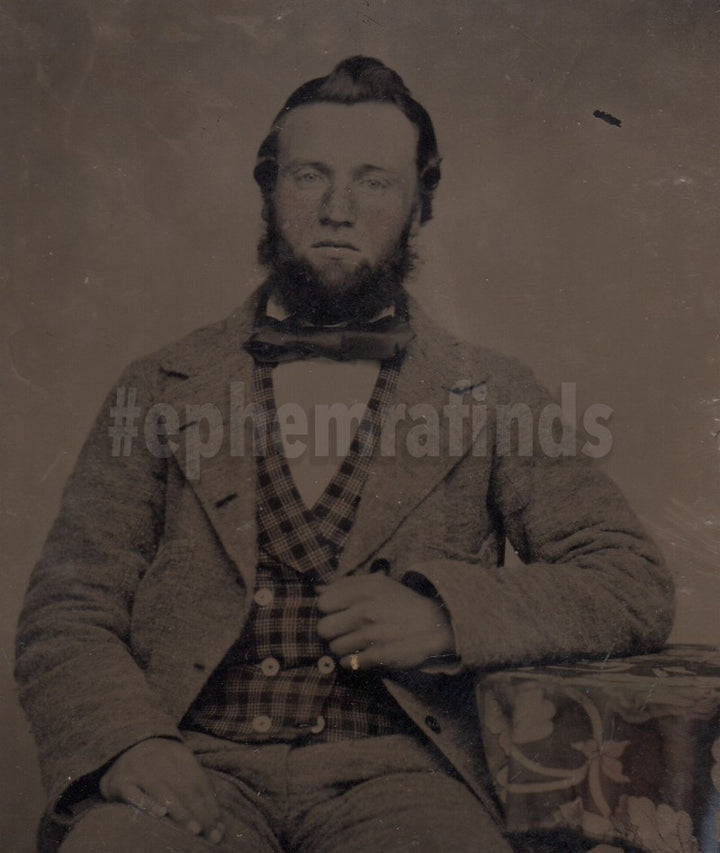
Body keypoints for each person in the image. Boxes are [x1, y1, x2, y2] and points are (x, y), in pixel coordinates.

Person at [15, 56, 674, 853]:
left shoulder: (494, 392)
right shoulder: (160, 385)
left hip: (403, 778)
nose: (337, 209)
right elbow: (68, 607)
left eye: (372, 181)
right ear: (269, 191)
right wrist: (129, 743)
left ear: (418, 204)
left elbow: (630, 582)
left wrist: (448, 615)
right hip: (194, 764)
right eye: (309, 176)